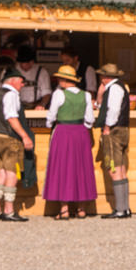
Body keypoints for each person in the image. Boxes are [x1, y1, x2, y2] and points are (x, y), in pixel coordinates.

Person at [42, 64, 97, 219]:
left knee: (62, 168)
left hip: (63, 132)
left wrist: (50, 124)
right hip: (80, 133)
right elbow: (89, 120)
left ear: (64, 80)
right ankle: (81, 209)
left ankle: (64, 209)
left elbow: (51, 116)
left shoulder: (58, 94)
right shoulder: (86, 95)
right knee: (81, 168)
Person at [0, 64, 32, 222]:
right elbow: (11, 118)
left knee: (1, 175)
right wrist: (25, 136)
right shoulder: (11, 95)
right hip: (9, 138)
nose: (23, 84)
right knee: (13, 174)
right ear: (12, 80)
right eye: (21, 81)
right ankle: (9, 211)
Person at [93, 61, 134, 218]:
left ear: (105, 77)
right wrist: (100, 94)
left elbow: (113, 110)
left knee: (114, 167)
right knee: (121, 168)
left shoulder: (114, 89)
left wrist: (107, 127)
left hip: (114, 130)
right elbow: (101, 106)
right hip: (121, 129)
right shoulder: (117, 87)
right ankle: (125, 208)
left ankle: (120, 209)